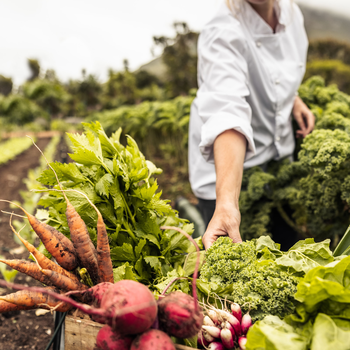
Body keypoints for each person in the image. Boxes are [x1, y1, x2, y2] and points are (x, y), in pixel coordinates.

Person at [188, 0, 315, 250]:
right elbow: (227, 111)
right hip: (226, 169)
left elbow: (277, 71)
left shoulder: (291, 13)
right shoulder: (222, 30)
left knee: (286, 243)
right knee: (237, 268)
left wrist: (293, 98)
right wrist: (226, 204)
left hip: (275, 157)